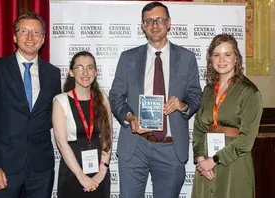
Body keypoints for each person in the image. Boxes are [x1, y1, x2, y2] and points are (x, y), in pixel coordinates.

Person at [109, 2, 202, 198]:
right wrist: (130, 118)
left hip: (171, 146)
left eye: (160, 19)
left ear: (168, 23)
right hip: (135, 145)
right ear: (142, 26)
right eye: (149, 21)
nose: (154, 25)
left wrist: (182, 105)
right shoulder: (128, 58)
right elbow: (115, 96)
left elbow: (196, 96)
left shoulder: (187, 58)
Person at [0, 12, 61, 198]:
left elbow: (51, 117)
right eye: (24, 31)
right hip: (3, 167)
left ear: (43, 38)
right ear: (14, 37)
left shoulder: (53, 74)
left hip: (41, 169)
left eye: (36, 32)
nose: (30, 37)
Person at [191, 34, 263, 198]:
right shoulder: (208, 90)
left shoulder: (249, 92)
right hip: (206, 165)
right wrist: (201, 158)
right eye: (216, 55)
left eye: (227, 54)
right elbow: (199, 128)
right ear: (210, 59)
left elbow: (246, 140)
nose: (221, 60)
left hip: (233, 164)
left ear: (236, 58)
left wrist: (213, 161)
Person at [53, 51, 112, 198]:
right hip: (73, 172)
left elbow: (107, 137)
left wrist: (102, 171)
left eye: (90, 67)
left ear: (95, 72)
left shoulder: (103, 98)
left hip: (99, 170)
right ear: (71, 72)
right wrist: (81, 176)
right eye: (79, 67)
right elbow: (62, 144)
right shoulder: (61, 101)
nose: (85, 72)